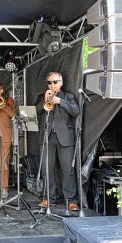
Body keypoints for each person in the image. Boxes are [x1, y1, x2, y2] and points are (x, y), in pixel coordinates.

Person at [35, 72, 80, 211]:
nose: (52, 85)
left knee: (68, 170)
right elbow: (34, 112)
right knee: (46, 170)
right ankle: (49, 198)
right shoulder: (42, 97)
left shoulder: (69, 97)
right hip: (47, 137)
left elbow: (76, 111)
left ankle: (71, 200)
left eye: (55, 82)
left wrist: (61, 102)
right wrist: (44, 101)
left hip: (65, 138)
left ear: (61, 83)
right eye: (49, 82)